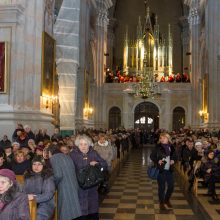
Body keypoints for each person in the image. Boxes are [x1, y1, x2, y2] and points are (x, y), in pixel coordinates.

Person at [70, 134, 108, 220]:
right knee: (81, 211)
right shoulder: (73, 155)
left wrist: (97, 164)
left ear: (89, 144)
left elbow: (104, 165)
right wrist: (88, 165)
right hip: (79, 187)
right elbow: (70, 170)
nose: (83, 146)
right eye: (81, 144)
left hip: (92, 187)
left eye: (85, 144)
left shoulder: (93, 153)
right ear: (77, 145)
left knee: (93, 209)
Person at [48, 145, 82, 220]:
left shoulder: (54, 158)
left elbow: (58, 175)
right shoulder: (67, 156)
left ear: (50, 152)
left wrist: (53, 184)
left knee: (65, 213)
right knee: (73, 210)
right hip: (73, 185)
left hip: (64, 187)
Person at [150, 133, 177, 210]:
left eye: (163, 138)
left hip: (169, 170)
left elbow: (175, 156)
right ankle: (161, 203)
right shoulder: (158, 147)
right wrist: (158, 160)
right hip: (161, 170)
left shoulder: (172, 147)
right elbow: (152, 156)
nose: (162, 139)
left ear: (168, 139)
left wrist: (173, 160)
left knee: (171, 186)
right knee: (161, 187)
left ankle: (167, 200)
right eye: (161, 138)